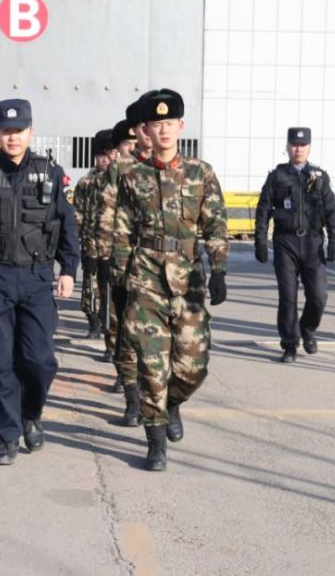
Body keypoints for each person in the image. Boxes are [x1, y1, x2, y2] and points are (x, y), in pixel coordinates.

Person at [0, 99, 79, 466]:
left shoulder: (50, 172)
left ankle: (31, 414)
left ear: (30, 132)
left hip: (38, 277)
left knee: (39, 359)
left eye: (19, 130)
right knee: (0, 358)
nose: (12, 137)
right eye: (6, 131)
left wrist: (68, 269)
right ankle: (8, 435)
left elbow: (66, 223)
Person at [112, 89, 229, 471]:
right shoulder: (132, 175)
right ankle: (155, 439)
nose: (163, 130)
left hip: (188, 280)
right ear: (146, 128)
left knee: (192, 366)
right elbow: (122, 230)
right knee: (151, 364)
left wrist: (220, 268)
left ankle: (174, 403)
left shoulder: (200, 172)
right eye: (156, 124)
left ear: (181, 126)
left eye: (169, 123)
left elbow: (215, 223)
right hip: (145, 278)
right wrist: (119, 278)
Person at [253, 127, 335, 363]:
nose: (298, 149)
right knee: (288, 297)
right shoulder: (277, 176)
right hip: (286, 243)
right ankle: (290, 345)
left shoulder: (320, 177)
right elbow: (263, 211)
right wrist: (260, 241)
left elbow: (332, 211)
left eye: (302, 145)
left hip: (312, 243)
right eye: (294, 145)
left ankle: (308, 329)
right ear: (287, 147)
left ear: (309, 147)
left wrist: (334, 241)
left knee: (319, 296)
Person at [93, 96, 155, 425]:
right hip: (120, 266)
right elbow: (105, 217)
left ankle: (161, 402)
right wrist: (105, 257)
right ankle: (132, 397)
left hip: (159, 270)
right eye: (128, 141)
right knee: (119, 332)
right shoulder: (116, 173)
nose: (133, 145)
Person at [75, 128, 114, 339]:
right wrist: (79, 244)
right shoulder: (85, 183)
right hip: (91, 246)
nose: (104, 159)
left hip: (114, 249)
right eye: (100, 155)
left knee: (110, 291)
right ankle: (93, 324)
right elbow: (78, 215)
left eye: (108, 155)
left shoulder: (120, 181)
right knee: (89, 288)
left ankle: (110, 330)